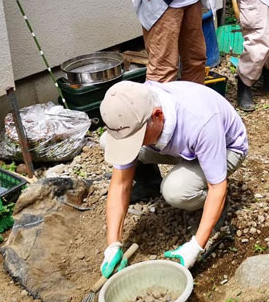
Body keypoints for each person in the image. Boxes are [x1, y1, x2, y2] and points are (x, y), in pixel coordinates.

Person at [98, 80, 248, 274]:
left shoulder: (201, 121)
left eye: (137, 138)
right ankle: (150, 182)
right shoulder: (136, 107)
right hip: (178, 145)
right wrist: (113, 245)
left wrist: (195, 247)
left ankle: (214, 206)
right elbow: (120, 184)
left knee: (175, 191)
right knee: (108, 143)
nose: (133, 144)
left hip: (227, 149)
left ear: (158, 116)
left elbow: (216, 186)